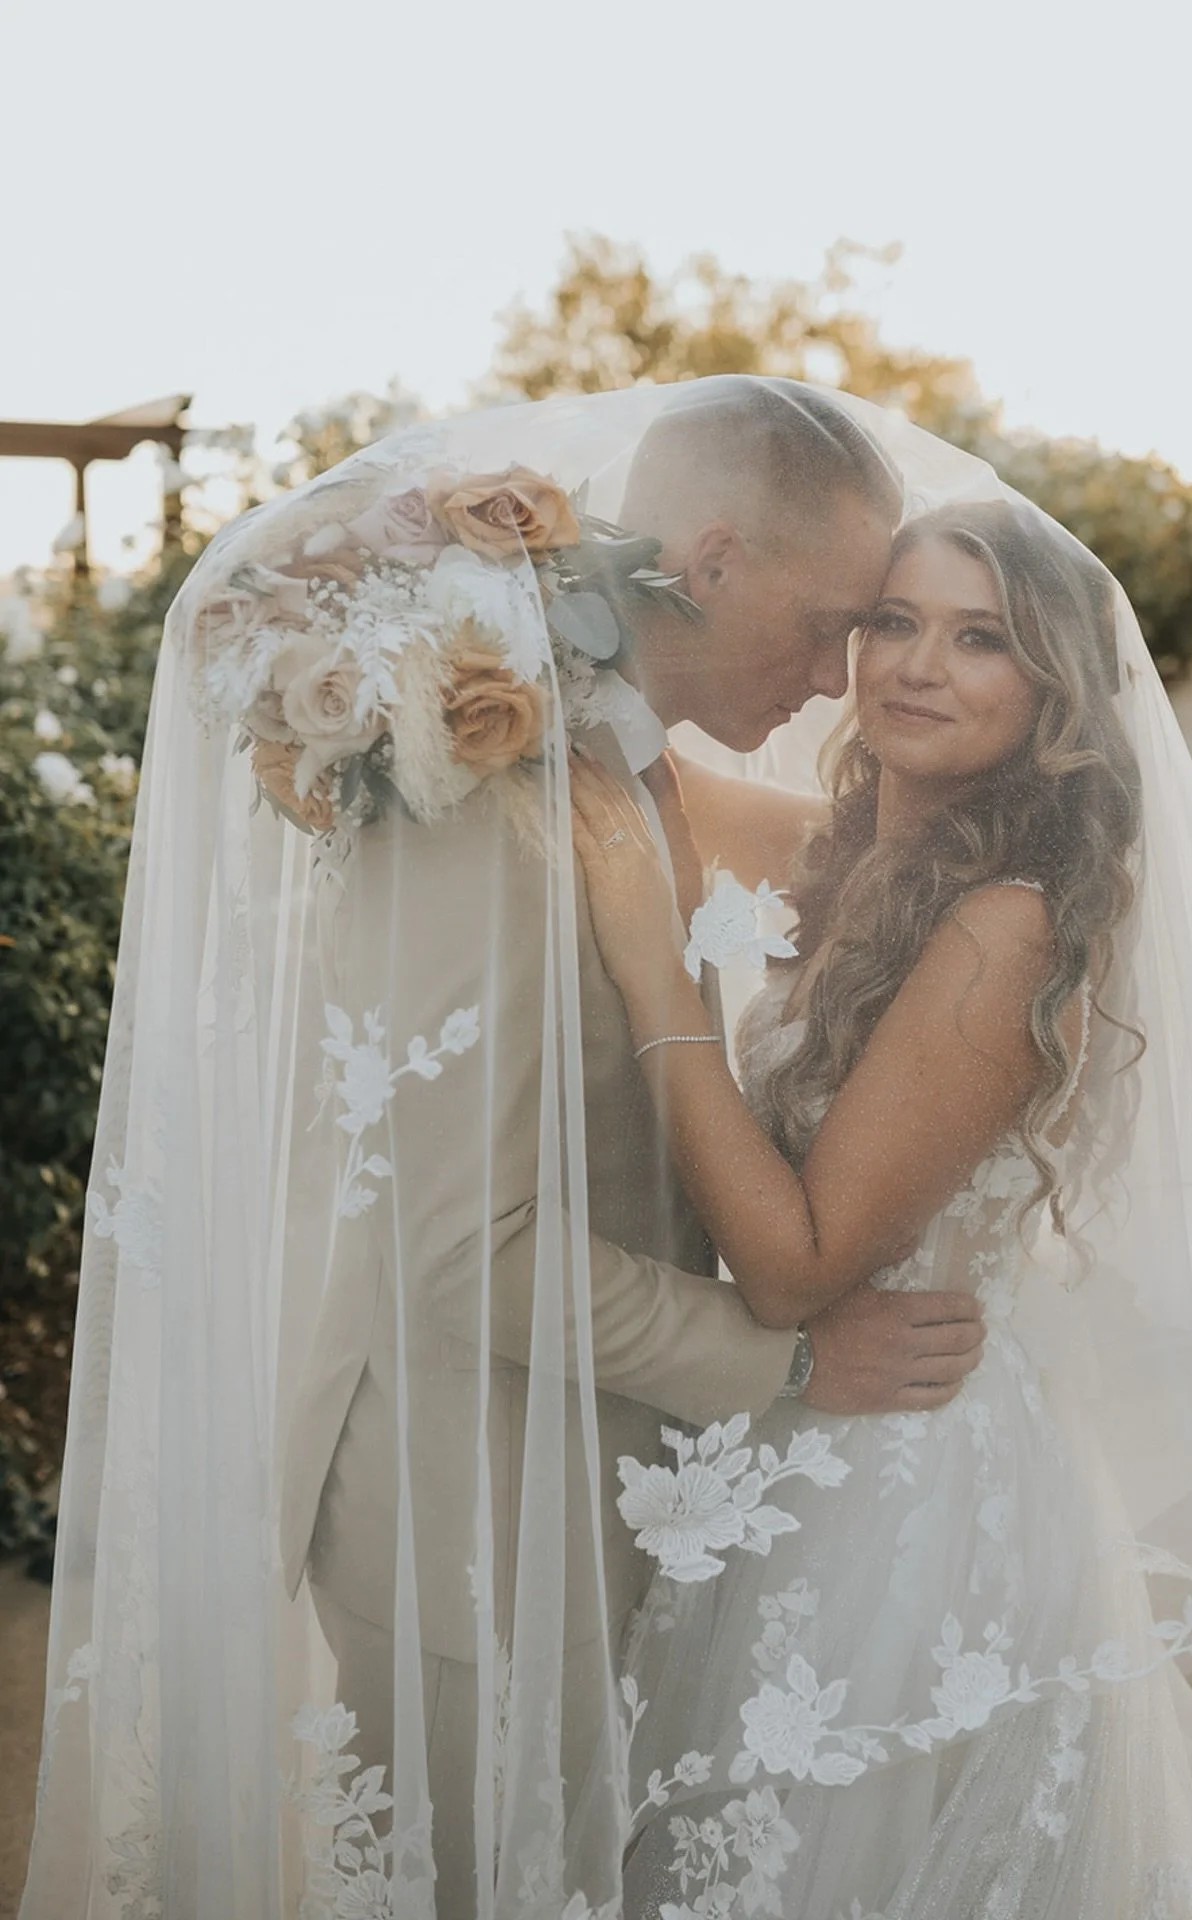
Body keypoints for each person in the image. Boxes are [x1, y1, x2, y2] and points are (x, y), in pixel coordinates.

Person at [21, 380, 991, 1920]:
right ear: (717, 558)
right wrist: (798, 1365)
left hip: (586, 1475)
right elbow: (462, 1244)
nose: (834, 680)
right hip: (467, 1519)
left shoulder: (616, 753)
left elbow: (842, 858)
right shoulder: (484, 803)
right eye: (826, 626)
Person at [569, 496, 1192, 1917]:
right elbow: (637, 784)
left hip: (904, 1493)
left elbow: (794, 1262)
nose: (916, 666)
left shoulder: (1007, 924)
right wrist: (493, 601)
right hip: (807, 1445)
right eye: (893, 620)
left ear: (1051, 686)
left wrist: (654, 982)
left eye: (980, 638)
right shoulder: (861, 861)